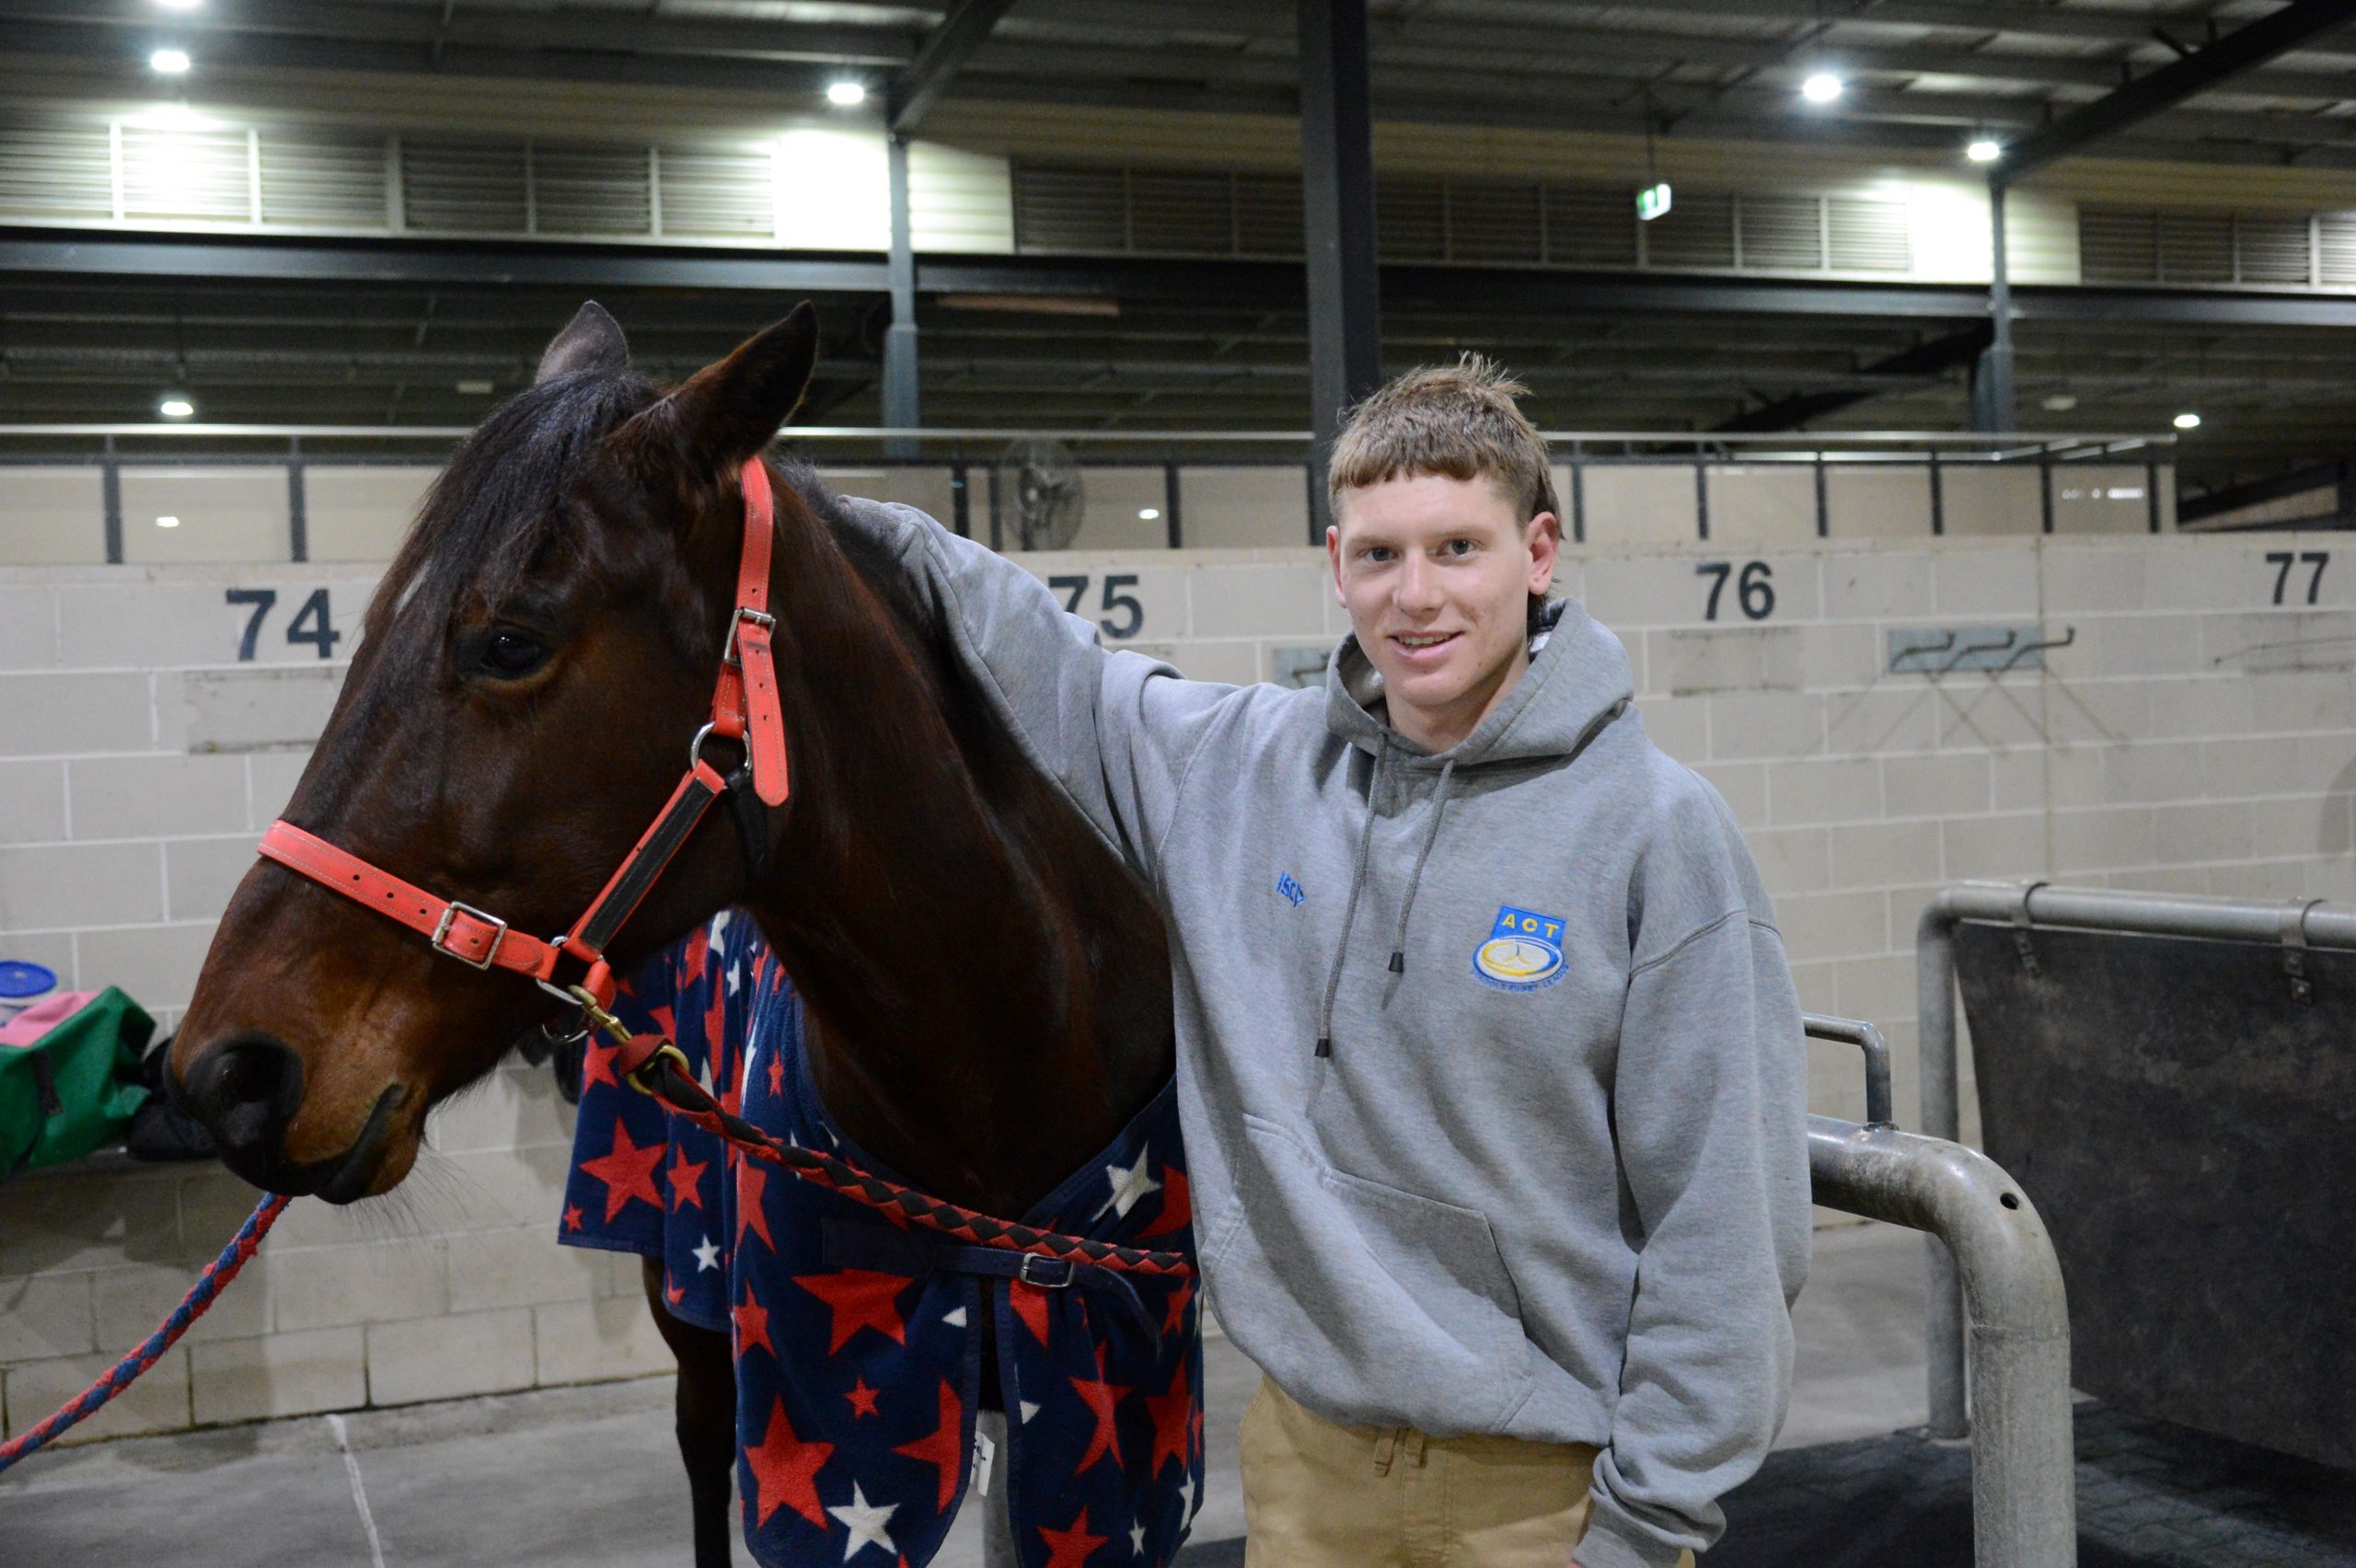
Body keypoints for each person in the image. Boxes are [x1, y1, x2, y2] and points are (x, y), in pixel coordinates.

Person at [836, 357, 1809, 1568]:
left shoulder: (1658, 833)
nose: (1418, 597)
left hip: (1548, 1493)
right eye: (1380, 555)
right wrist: (812, 519)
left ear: (1539, 552)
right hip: (1306, 1467)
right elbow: (1065, 678)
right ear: (1335, 564)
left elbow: (1727, 1223)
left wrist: (1644, 1522)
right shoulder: (1243, 771)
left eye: (1459, 548)